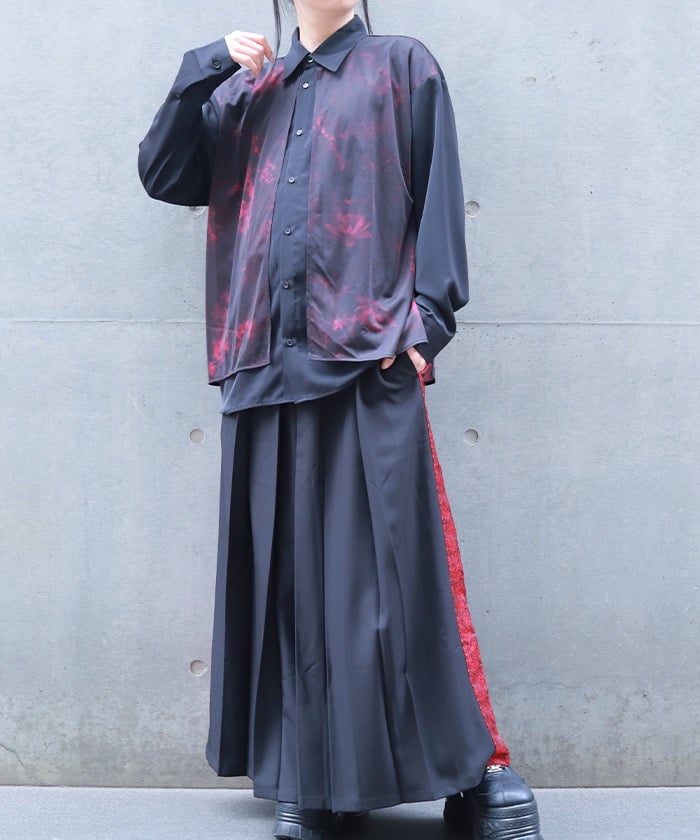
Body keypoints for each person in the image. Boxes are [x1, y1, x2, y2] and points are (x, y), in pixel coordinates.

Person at [138, 2, 543, 838]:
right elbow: (167, 173)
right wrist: (201, 68)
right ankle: (314, 778)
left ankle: (476, 769)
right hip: (260, 364)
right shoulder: (243, 90)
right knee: (287, 589)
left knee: (399, 579)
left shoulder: (401, 66)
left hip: (364, 355)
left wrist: (426, 323)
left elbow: (437, 192)